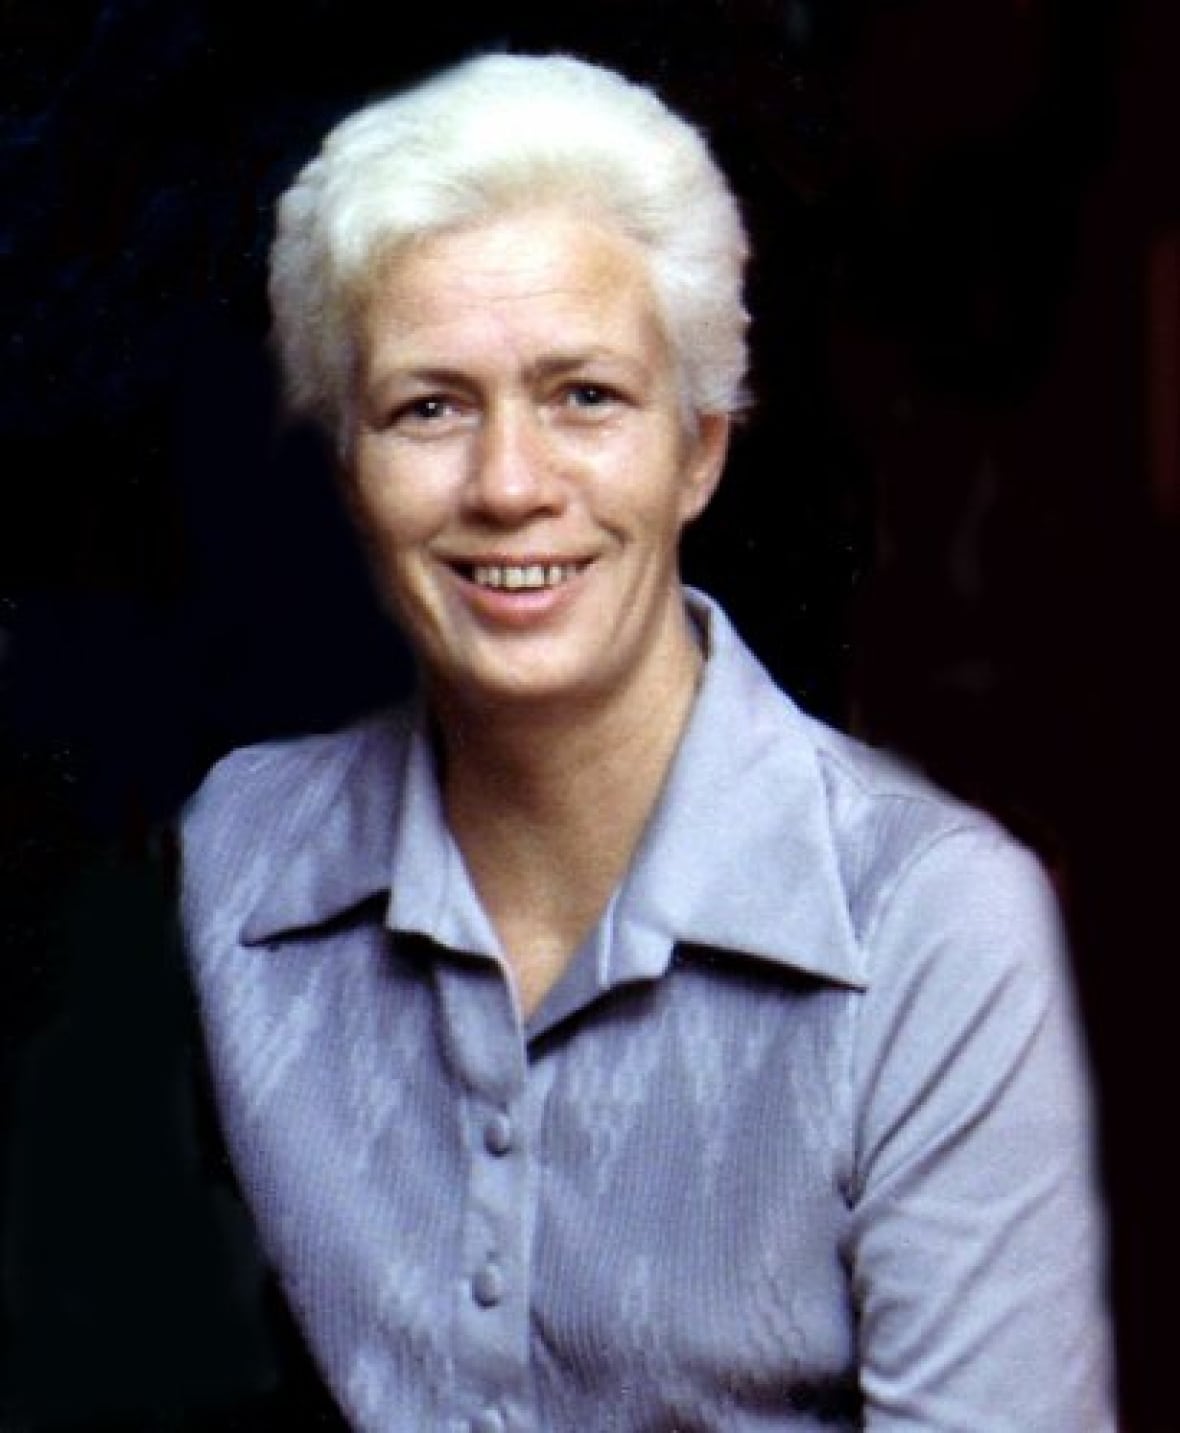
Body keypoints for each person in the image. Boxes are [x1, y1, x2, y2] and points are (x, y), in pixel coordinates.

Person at [181, 52, 1115, 1431]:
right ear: (350, 471)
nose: (509, 485)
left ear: (701, 449)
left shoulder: (932, 922)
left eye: (586, 398)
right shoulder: (234, 860)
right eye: (429, 406)